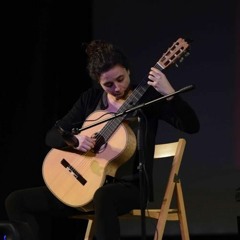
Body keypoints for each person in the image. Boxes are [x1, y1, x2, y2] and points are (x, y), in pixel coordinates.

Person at [5, 39, 200, 240]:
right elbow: (52, 136)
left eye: (120, 79)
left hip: (128, 188)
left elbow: (192, 126)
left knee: (103, 196)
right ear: (98, 82)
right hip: (84, 185)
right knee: (16, 201)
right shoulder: (90, 99)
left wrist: (170, 94)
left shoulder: (149, 100)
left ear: (128, 71)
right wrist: (75, 140)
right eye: (108, 84)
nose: (116, 87)